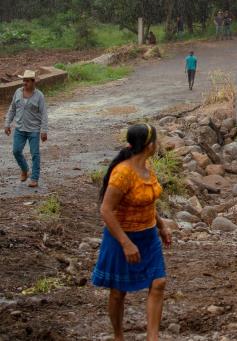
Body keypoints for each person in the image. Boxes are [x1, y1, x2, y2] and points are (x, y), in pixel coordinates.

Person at [91, 123, 171, 341]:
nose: (158, 143)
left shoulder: (147, 168)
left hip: (148, 237)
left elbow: (148, 203)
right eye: (157, 139)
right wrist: (126, 243)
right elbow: (106, 210)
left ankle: (152, 337)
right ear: (149, 145)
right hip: (121, 237)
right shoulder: (123, 173)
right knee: (118, 291)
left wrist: (161, 226)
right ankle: (118, 336)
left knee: (159, 283)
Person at [4, 70, 48, 188]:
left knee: (35, 154)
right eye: (23, 80)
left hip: (34, 129)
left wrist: (44, 130)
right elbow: (12, 109)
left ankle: (34, 178)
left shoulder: (39, 96)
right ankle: (24, 169)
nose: (24, 83)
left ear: (33, 82)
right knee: (16, 151)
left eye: (27, 81)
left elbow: (44, 114)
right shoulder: (18, 92)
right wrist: (7, 123)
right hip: (20, 129)